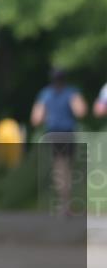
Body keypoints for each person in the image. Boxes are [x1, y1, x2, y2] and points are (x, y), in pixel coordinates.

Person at [31, 67, 87, 216]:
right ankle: (67, 203)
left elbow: (36, 118)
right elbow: (81, 111)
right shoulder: (71, 92)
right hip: (68, 133)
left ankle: (64, 203)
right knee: (68, 168)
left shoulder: (45, 94)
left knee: (60, 169)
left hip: (54, 134)